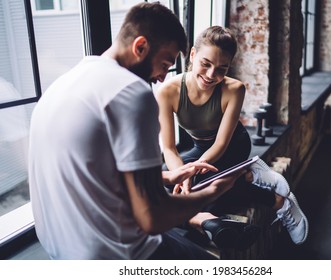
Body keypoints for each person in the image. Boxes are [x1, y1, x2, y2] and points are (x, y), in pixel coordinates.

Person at [28, 2, 246, 260]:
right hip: (113, 253)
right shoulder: (131, 93)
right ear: (140, 47)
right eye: (165, 64)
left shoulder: (62, 84)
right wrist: (213, 191)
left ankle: (204, 222)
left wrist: (166, 178)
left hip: (60, 250)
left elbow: (92, 172)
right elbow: (153, 217)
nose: (163, 78)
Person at [156, 26, 309, 245]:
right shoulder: (168, 91)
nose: (211, 75)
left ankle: (280, 202)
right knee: (164, 180)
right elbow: (169, 148)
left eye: (221, 68)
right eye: (205, 64)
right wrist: (183, 172)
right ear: (192, 55)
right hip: (201, 148)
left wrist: (195, 170)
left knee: (205, 187)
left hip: (232, 145)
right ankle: (246, 176)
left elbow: (220, 143)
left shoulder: (235, 89)